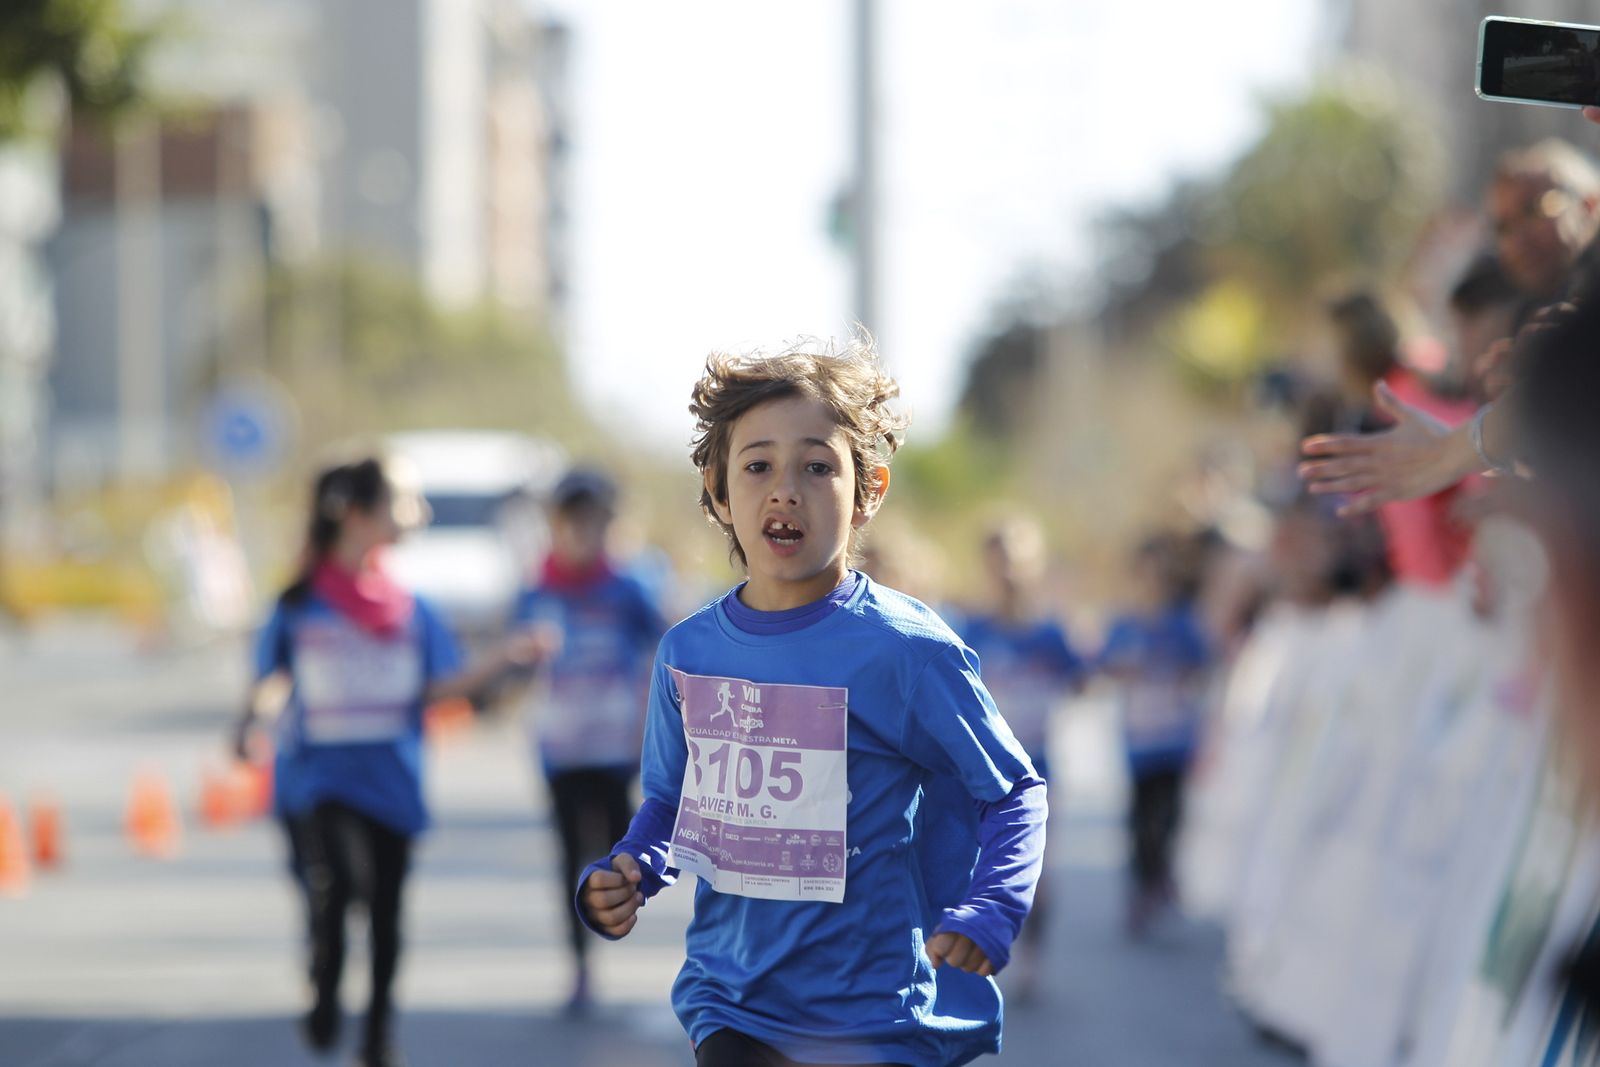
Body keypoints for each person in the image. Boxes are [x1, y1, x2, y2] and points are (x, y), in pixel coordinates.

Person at [576, 337, 1047, 1067]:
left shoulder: (907, 650)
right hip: (733, 1005)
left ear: (870, 490)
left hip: (874, 1019)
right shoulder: (689, 652)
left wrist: (993, 906)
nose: (784, 489)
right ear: (717, 491)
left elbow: (1014, 793)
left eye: (818, 466)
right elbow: (673, 803)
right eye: (757, 464)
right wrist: (630, 866)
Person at [234, 455, 537, 1067]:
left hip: (394, 782)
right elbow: (274, 676)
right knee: (342, 885)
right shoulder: (301, 602)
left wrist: (504, 661)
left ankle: (376, 1036)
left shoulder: (410, 608)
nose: (419, 514)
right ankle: (325, 985)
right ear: (359, 515)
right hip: (320, 780)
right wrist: (255, 719)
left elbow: (439, 688)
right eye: (406, 501)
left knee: (387, 915)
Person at [510, 467, 667, 1013]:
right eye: (572, 522)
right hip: (560, 750)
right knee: (569, 857)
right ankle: (580, 966)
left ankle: (621, 924)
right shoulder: (535, 591)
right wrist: (519, 657)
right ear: (555, 525)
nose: (583, 532)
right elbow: (511, 671)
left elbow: (666, 651)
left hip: (616, 747)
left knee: (621, 851)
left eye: (594, 522)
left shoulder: (628, 588)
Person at [1097, 534, 1213, 935]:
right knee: (1139, 822)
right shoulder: (1125, 624)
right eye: (1147, 571)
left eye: (1162, 571)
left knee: (1171, 817)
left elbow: (1204, 664)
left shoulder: (1183, 622)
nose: (1155, 579)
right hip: (1139, 742)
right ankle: (1142, 890)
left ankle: (1162, 879)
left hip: (1176, 739)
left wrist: (1178, 670)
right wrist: (1123, 668)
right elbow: (1102, 667)